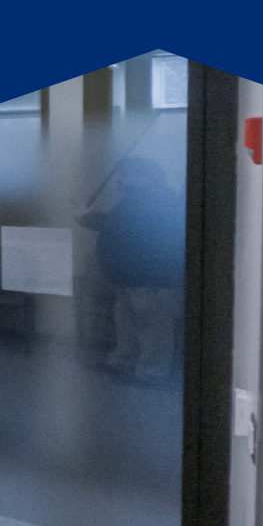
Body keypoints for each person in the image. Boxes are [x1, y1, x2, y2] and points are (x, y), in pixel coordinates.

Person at [79, 158, 185, 381]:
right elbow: (116, 223)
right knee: (127, 323)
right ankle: (123, 363)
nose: (123, 178)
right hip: (129, 278)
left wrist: (88, 217)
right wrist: (88, 218)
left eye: (128, 174)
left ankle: (151, 373)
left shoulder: (159, 199)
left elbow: (124, 225)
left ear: (146, 177)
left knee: (154, 326)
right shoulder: (135, 199)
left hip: (152, 279)